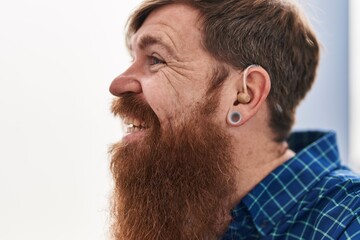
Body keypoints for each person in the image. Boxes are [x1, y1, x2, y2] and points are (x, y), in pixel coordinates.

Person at [108, 0, 360, 239]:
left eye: (155, 60)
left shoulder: (350, 222)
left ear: (244, 95)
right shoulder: (185, 211)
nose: (117, 84)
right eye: (133, 59)